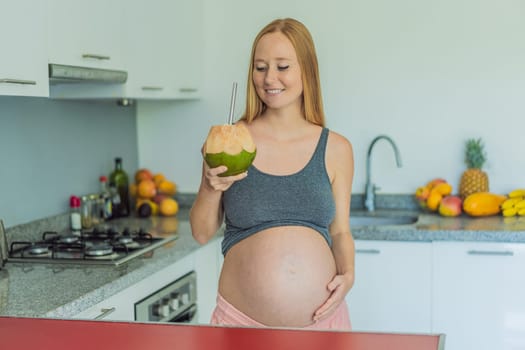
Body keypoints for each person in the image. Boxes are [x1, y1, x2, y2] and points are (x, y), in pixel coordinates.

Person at [190, 17, 355, 330]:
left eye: (282, 66)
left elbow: (340, 232)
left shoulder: (336, 148)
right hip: (240, 325)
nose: (269, 78)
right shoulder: (229, 141)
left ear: (306, 70)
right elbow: (200, 232)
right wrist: (211, 187)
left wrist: (348, 275)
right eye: (260, 66)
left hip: (323, 325)